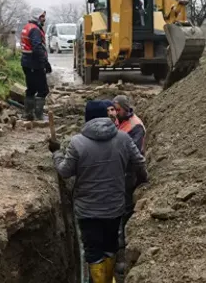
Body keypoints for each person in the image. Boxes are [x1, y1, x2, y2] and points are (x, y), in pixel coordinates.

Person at [49, 100, 148, 283]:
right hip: (114, 207)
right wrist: (144, 181)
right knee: (110, 246)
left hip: (87, 211)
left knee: (93, 251)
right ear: (106, 116)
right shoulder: (123, 139)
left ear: (87, 119)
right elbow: (139, 163)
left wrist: (56, 153)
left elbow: (64, 171)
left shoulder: (77, 143)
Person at [111, 95, 145, 278]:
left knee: (125, 209)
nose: (116, 112)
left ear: (126, 108)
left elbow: (136, 155)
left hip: (128, 173)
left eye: (118, 109)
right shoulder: (118, 121)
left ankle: (121, 251)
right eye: (114, 109)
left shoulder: (136, 126)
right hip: (116, 171)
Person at [20, 8, 52, 120]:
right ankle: (38, 115)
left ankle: (28, 114)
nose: (44, 19)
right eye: (42, 16)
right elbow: (37, 48)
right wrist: (45, 63)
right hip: (34, 64)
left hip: (27, 62)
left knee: (31, 89)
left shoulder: (27, 27)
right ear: (37, 17)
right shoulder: (35, 30)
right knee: (43, 90)